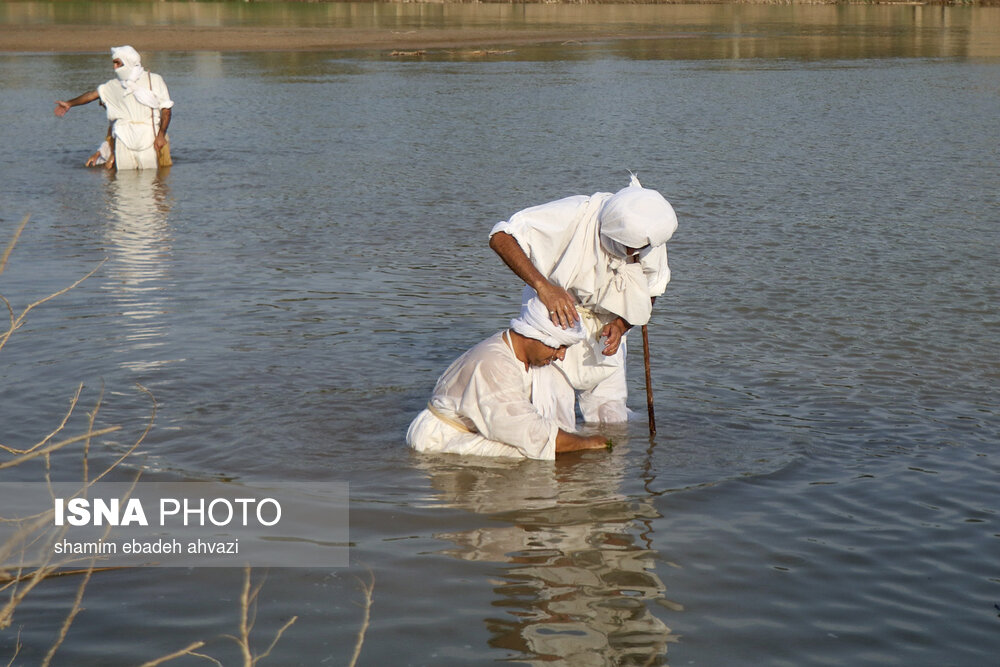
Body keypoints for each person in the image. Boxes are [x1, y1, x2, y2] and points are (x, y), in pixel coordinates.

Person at [489, 174, 677, 426]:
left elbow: (651, 290)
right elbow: (501, 236)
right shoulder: (573, 214)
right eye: (627, 247)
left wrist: (622, 326)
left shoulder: (649, 238)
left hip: (609, 324)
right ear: (611, 227)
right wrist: (544, 287)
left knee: (611, 418)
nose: (633, 254)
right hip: (553, 316)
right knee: (551, 416)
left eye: (638, 249)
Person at [407, 298, 609, 460]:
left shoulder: (514, 352)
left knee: (551, 447)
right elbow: (529, 432)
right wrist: (588, 443)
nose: (561, 356)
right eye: (559, 347)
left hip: (460, 430)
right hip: (439, 439)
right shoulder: (496, 364)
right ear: (534, 337)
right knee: (531, 455)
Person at [54, 46, 173, 170]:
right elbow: (91, 95)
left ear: (128, 61)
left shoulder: (154, 80)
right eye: (114, 63)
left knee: (151, 180)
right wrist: (69, 103)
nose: (115, 67)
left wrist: (161, 136)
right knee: (124, 183)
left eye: (117, 62)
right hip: (123, 138)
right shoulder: (114, 85)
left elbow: (166, 110)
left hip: (148, 137)